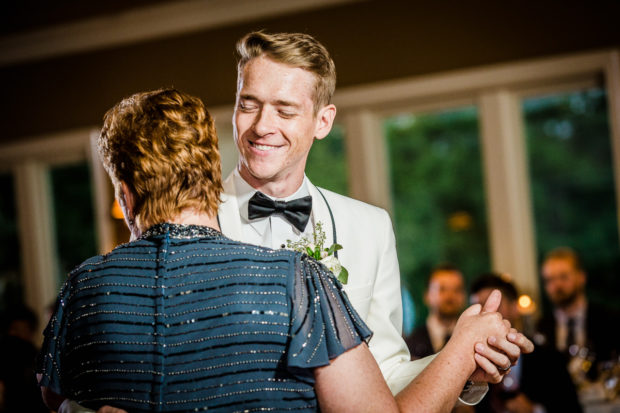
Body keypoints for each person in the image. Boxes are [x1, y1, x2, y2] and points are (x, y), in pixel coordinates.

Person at [37, 88, 519, 413]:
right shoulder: (296, 282)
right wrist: (460, 351)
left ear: (123, 193)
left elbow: (54, 399)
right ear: (212, 167)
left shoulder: (82, 289)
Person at [471, 273, 582, 413]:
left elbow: (571, 408)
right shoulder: (472, 362)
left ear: (514, 307)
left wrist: (535, 410)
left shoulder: (550, 359)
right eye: (477, 307)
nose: (485, 314)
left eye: (494, 306)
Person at [536, 247, 619, 382]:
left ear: (581, 277)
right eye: (549, 280)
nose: (557, 285)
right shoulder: (542, 326)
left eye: (563, 277)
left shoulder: (609, 320)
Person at [405, 264, 466, 359]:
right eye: (442, 289)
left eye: (456, 290)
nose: (450, 296)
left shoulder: (470, 339)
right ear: (427, 295)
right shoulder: (409, 345)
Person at [0, 306, 49, 413]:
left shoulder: (37, 356)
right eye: (15, 329)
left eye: (25, 329)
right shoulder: (37, 355)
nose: (19, 334)